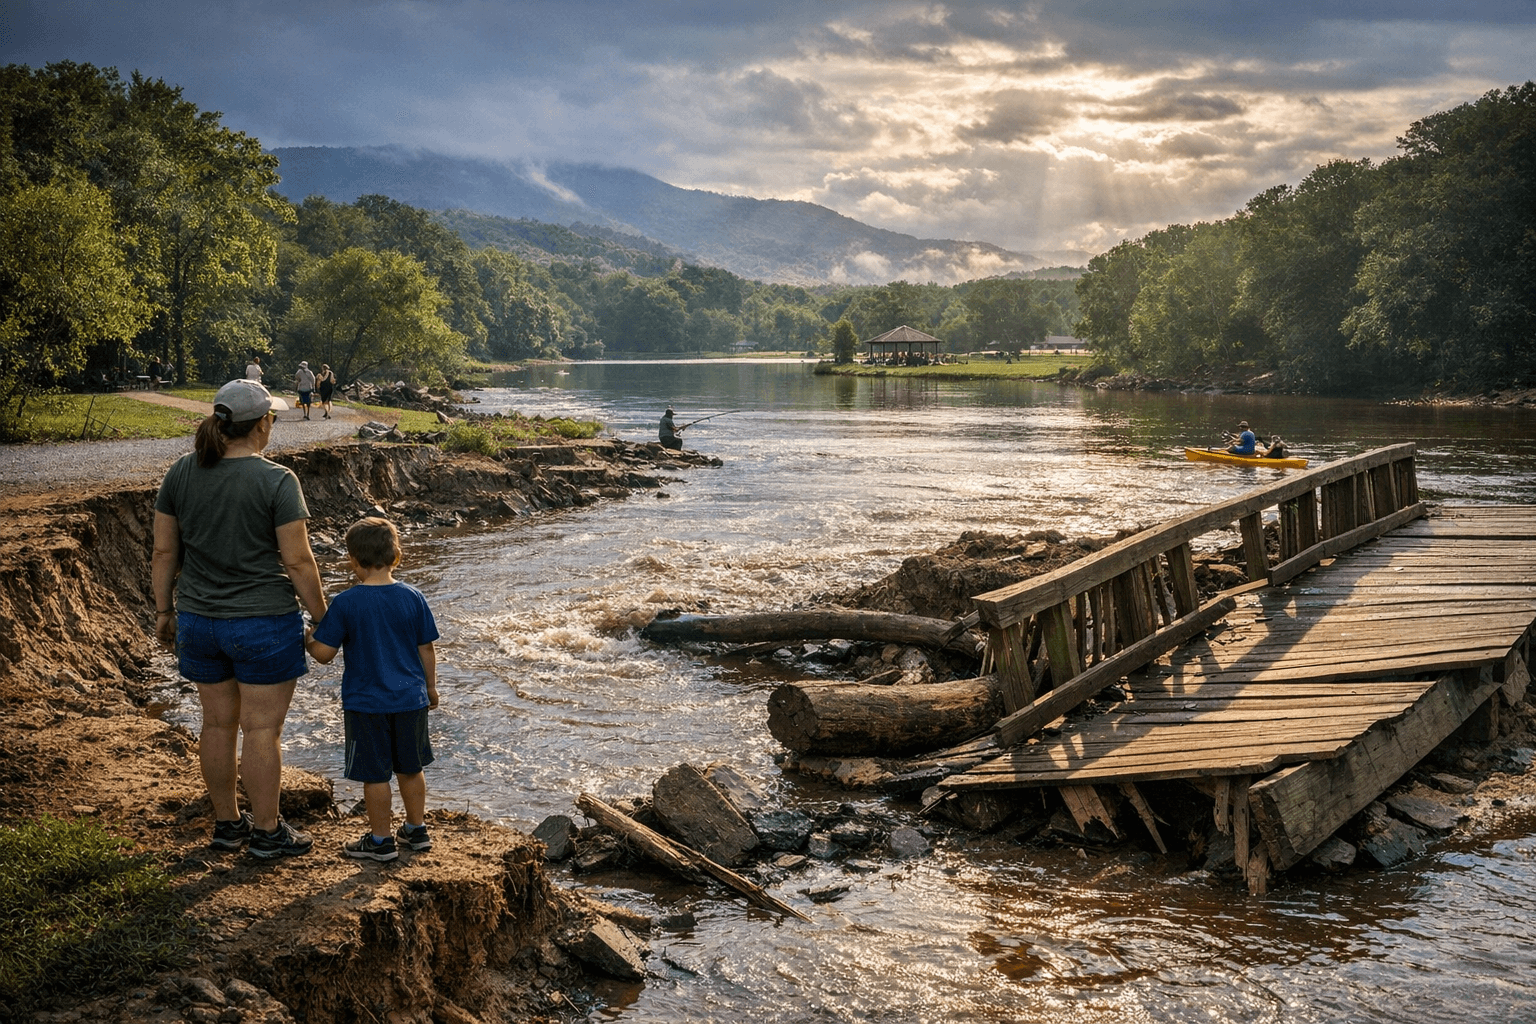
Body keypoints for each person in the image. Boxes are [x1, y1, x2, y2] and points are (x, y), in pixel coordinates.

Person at [151, 379, 328, 860]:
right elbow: (298, 562)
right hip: (263, 623)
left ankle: (228, 825)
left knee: (216, 725)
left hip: (199, 621)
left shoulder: (181, 473)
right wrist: (324, 619)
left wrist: (165, 610)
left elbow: (165, 550)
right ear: (263, 424)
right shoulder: (275, 480)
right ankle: (268, 832)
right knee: (262, 731)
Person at [305, 517, 441, 862]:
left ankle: (380, 840)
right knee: (411, 767)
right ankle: (417, 829)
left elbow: (323, 655)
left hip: (366, 703)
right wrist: (431, 688)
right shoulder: (413, 596)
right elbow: (427, 648)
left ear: (352, 559)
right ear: (396, 555)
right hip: (411, 698)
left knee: (375, 773)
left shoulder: (346, 603)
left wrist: (305, 636)